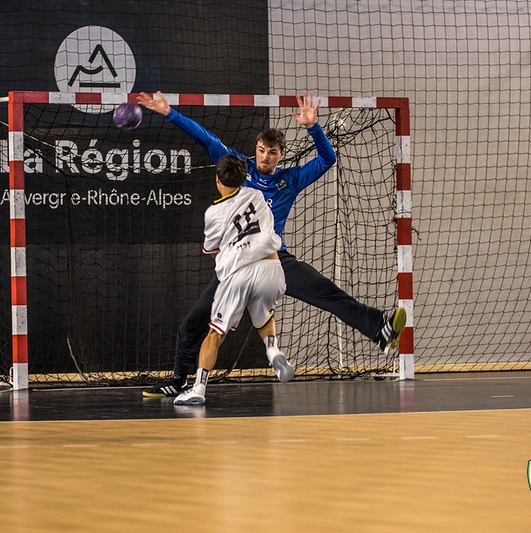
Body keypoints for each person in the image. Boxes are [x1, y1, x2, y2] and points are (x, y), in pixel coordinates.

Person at [137, 91, 406, 397]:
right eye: (262, 150)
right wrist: (169, 113)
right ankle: (178, 381)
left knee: (327, 292)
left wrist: (313, 127)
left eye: (272, 152)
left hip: (275, 258)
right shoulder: (241, 168)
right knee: (192, 323)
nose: (265, 157)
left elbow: (327, 159)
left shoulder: (290, 179)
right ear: (256, 149)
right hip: (238, 263)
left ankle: (380, 329)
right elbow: (207, 139)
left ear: (281, 154)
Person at [174, 155, 292, 405]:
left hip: (238, 273)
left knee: (215, 334)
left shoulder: (213, 213)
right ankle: (272, 350)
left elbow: (211, 250)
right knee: (263, 313)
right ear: (243, 178)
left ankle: (198, 389)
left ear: (217, 180)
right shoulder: (257, 195)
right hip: (272, 267)